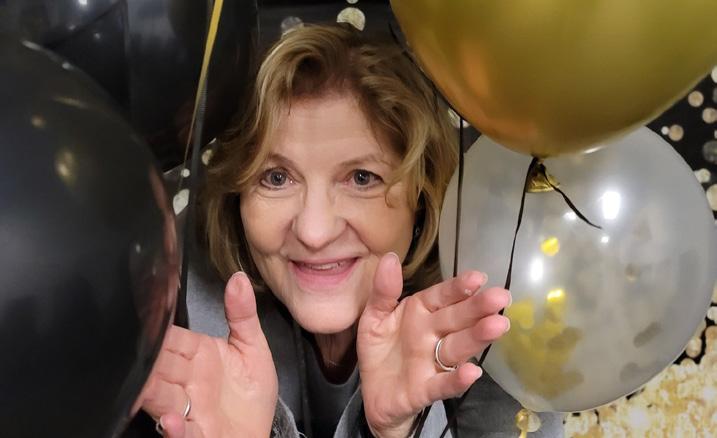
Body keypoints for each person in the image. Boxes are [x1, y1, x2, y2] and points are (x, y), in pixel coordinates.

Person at [137, 23, 564, 437]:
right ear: (237, 196)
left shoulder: (493, 317)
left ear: (422, 195)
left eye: (361, 178)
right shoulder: (173, 303)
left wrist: (398, 431)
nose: (314, 232)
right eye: (276, 178)